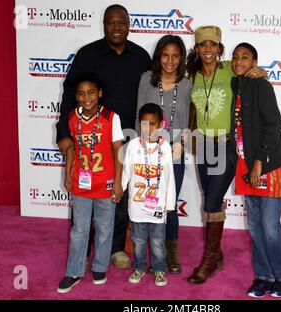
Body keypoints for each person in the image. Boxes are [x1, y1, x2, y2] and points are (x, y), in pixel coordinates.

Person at [56, 4, 151, 269]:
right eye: (111, 22)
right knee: (84, 192)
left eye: (122, 22)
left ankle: (116, 248)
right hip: (89, 141)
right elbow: (68, 95)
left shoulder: (141, 56)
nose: (117, 27)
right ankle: (83, 250)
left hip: (128, 138)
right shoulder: (88, 55)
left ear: (129, 24)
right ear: (104, 25)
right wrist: (63, 132)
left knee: (118, 194)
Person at [186, 26, 267, 285]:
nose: (207, 49)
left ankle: (209, 260)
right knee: (209, 200)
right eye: (202, 45)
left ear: (220, 48)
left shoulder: (229, 69)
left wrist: (261, 72)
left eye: (212, 44)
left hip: (226, 145)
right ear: (197, 49)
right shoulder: (192, 76)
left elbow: (250, 69)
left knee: (212, 202)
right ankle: (217, 253)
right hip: (203, 145)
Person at [231, 42, 281, 298]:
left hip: (267, 165)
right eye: (235, 58)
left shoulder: (261, 84)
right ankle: (263, 276)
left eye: (245, 58)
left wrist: (260, 163)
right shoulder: (237, 84)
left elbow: (273, 124)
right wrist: (250, 163)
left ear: (254, 62)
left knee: (269, 226)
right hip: (245, 164)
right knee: (255, 227)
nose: (238, 62)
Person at [57, 72, 124, 293]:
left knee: (105, 228)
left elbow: (118, 150)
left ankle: (99, 266)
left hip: (105, 182)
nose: (87, 98)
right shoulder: (72, 117)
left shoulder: (111, 117)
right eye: (81, 94)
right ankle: (74, 270)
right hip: (81, 183)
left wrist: (118, 182)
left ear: (100, 93)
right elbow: (73, 149)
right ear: (76, 96)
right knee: (79, 229)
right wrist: (67, 174)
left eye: (91, 92)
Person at [136, 35, 191, 274]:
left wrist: (181, 141)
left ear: (181, 58)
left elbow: (190, 118)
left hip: (174, 154)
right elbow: (138, 116)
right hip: (147, 153)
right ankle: (145, 254)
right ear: (159, 56)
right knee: (146, 202)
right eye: (165, 55)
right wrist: (140, 149)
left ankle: (171, 254)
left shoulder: (188, 83)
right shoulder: (146, 79)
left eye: (175, 56)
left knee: (169, 203)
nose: (170, 61)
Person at [122, 103, 176, 287]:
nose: (148, 128)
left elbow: (170, 178)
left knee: (158, 241)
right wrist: (119, 189)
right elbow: (126, 172)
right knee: (137, 240)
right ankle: (139, 267)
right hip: (137, 205)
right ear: (139, 124)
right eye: (144, 124)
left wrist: (169, 204)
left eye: (152, 124)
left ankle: (159, 269)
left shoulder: (166, 148)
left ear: (161, 124)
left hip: (158, 206)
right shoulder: (132, 146)